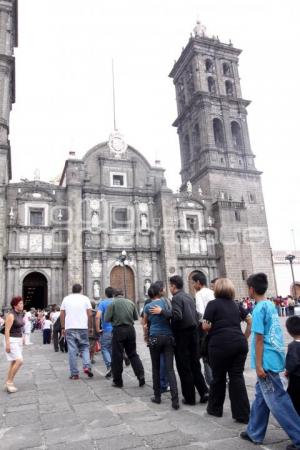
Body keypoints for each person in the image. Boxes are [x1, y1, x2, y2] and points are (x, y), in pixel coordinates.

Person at [240, 273, 300, 450]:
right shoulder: (270, 305)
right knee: (261, 397)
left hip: (266, 361)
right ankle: (254, 432)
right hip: (274, 356)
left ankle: (298, 436)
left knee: (278, 400)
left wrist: (258, 365)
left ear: (251, 289)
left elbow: (259, 339)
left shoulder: (258, 309)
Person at [152, 275, 208, 405]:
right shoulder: (188, 296)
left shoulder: (176, 298)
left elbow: (177, 315)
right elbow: (196, 314)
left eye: (170, 286)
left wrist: (162, 312)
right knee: (195, 364)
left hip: (182, 335)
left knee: (184, 366)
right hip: (194, 334)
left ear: (173, 286)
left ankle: (189, 398)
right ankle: (204, 392)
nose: (169, 289)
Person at [202, 278, 251, 423]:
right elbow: (250, 320)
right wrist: (244, 336)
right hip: (239, 344)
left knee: (218, 377)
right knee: (237, 377)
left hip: (220, 344)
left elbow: (205, 326)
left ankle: (215, 409)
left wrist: (213, 326)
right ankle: (242, 414)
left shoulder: (212, 304)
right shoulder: (236, 305)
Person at [143, 284, 179, 409]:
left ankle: (157, 396)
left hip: (154, 338)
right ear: (159, 292)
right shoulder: (166, 303)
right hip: (168, 337)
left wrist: (145, 336)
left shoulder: (147, 306)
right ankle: (175, 400)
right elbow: (171, 315)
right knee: (170, 369)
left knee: (155, 368)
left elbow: (145, 324)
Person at [104, 289, 145, 388]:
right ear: (123, 294)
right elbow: (136, 317)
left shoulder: (112, 304)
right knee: (133, 353)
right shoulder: (130, 303)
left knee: (117, 356)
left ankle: (118, 381)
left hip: (118, 330)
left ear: (114, 295)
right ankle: (140, 375)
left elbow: (106, 319)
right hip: (130, 330)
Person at [60, 283, 93, 380]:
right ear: (81, 290)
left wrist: (63, 327)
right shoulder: (85, 298)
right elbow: (90, 314)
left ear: (72, 290)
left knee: (72, 351)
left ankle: (74, 374)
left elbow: (62, 313)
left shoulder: (66, 299)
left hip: (70, 327)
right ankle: (87, 366)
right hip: (83, 327)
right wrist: (90, 327)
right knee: (85, 348)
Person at [192, 272, 215, 385]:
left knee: (205, 354)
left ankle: (210, 381)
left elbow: (200, 313)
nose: (193, 285)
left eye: (193, 283)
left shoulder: (199, 294)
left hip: (205, 328)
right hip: (216, 326)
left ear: (198, 283)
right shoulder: (212, 292)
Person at [3, 297, 25, 393]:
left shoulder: (20, 314)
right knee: (19, 361)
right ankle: (9, 382)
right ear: (15, 305)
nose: (22, 305)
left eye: (22, 303)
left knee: (13, 362)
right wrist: (7, 344)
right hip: (11, 340)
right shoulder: (11, 315)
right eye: (20, 303)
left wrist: (23, 337)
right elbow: (7, 330)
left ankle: (8, 382)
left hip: (18, 340)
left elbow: (20, 327)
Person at [97, 287, 114, 378]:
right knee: (111, 349)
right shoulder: (116, 302)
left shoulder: (102, 303)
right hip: (116, 330)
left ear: (105, 294)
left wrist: (97, 328)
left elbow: (97, 316)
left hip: (106, 330)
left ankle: (109, 366)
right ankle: (113, 367)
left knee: (104, 348)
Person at [285, 316, 300, 415]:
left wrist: (287, 371)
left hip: (297, 379)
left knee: (296, 402)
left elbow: (293, 362)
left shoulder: (293, 346)